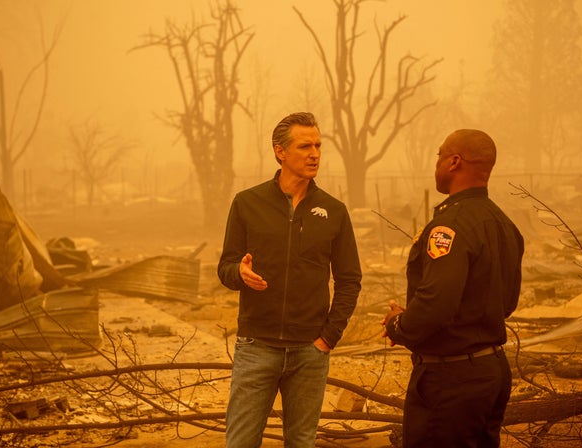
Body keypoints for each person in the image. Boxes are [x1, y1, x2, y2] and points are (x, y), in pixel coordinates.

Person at [217, 112, 362, 448]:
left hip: (309, 352)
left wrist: (327, 339)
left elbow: (349, 279)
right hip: (256, 347)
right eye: (304, 146)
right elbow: (225, 267)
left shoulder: (333, 211)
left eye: (318, 146)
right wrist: (238, 271)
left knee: (300, 442)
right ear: (280, 151)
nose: (315, 154)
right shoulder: (247, 203)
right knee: (240, 442)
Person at [382, 129, 524, 448]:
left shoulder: (450, 227)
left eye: (439, 155)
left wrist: (398, 325)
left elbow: (435, 304)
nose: (437, 163)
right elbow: (505, 303)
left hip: (452, 380)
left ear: (454, 162)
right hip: (492, 372)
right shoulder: (504, 224)